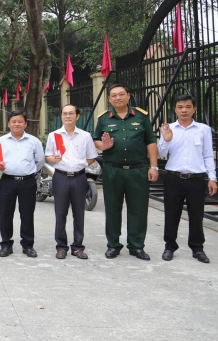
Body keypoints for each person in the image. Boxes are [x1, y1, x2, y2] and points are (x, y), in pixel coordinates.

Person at [93, 84, 159, 260]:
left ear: (128, 96)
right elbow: (95, 140)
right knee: (112, 209)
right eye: (114, 95)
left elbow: (150, 142)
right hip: (112, 170)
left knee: (138, 209)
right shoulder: (104, 118)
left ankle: (136, 246)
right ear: (109, 99)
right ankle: (113, 245)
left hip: (138, 170)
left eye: (121, 94)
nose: (118, 98)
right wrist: (103, 146)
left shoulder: (141, 116)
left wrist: (154, 166)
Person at [158, 95, 216, 263]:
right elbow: (161, 154)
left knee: (196, 215)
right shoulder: (169, 129)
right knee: (171, 214)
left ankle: (197, 248)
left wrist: (212, 178)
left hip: (196, 179)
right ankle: (170, 246)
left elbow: (208, 156)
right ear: (175, 109)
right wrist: (167, 141)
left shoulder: (203, 129)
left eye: (188, 107)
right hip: (173, 178)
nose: (184, 110)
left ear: (194, 109)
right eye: (180, 107)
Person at [45, 105, 98, 259]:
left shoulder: (85, 136)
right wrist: (52, 159)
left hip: (79, 177)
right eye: (65, 114)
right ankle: (61, 247)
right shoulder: (54, 135)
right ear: (61, 116)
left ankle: (77, 246)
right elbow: (48, 155)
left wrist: (79, 165)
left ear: (77, 116)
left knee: (79, 213)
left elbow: (91, 157)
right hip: (60, 176)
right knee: (60, 212)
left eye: (71, 113)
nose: (68, 116)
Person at [0, 110, 44, 258]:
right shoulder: (0, 141)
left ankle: (27, 245)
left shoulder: (34, 141)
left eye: (20, 121)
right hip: (7, 181)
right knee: (5, 214)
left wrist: (29, 171)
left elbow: (40, 161)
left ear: (25, 124)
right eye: (14, 121)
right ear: (9, 124)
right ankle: (6, 245)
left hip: (27, 182)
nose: (17, 124)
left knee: (27, 214)